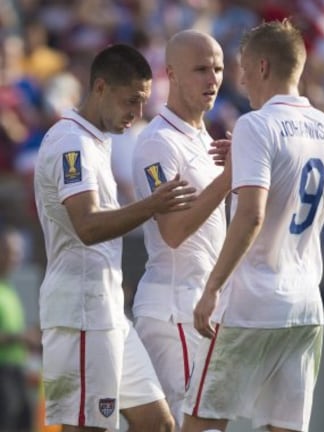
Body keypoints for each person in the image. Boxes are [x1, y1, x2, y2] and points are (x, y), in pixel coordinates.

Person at [181, 19, 324, 432]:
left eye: (241, 66)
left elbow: (253, 215)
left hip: (251, 303)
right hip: (306, 304)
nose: (237, 77)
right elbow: (289, 191)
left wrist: (213, 287)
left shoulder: (256, 125)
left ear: (262, 67)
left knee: (202, 423)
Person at [34, 43, 196, 432]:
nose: (137, 114)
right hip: (81, 313)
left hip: (106, 313)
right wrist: (151, 205)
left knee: (158, 423)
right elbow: (87, 226)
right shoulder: (71, 141)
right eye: (131, 101)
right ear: (101, 88)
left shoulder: (93, 140)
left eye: (143, 102)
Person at [131, 29, 231, 430]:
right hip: (174, 310)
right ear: (171, 73)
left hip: (199, 307)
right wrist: (231, 177)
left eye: (219, 68)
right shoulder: (159, 143)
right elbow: (173, 232)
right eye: (201, 69)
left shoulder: (202, 138)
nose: (213, 79)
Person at [0, 225, 40, 432]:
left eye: (18, 253)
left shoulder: (8, 287)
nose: (15, 258)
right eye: (10, 252)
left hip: (18, 371)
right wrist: (20, 337)